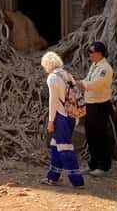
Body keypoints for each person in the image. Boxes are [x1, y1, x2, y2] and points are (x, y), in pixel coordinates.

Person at [40, 51, 85, 188]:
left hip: (61, 117)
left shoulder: (52, 78)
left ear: (48, 65)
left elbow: (53, 101)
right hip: (71, 116)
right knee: (56, 145)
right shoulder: (67, 75)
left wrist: (50, 121)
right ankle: (52, 177)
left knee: (64, 147)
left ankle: (77, 181)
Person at [77, 41, 114, 176]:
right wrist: (81, 83)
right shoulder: (94, 65)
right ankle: (93, 164)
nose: (89, 55)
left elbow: (95, 84)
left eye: (91, 52)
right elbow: (88, 79)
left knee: (100, 135)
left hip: (100, 105)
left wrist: (81, 84)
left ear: (99, 53)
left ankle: (104, 166)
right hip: (91, 103)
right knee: (91, 135)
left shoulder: (105, 68)